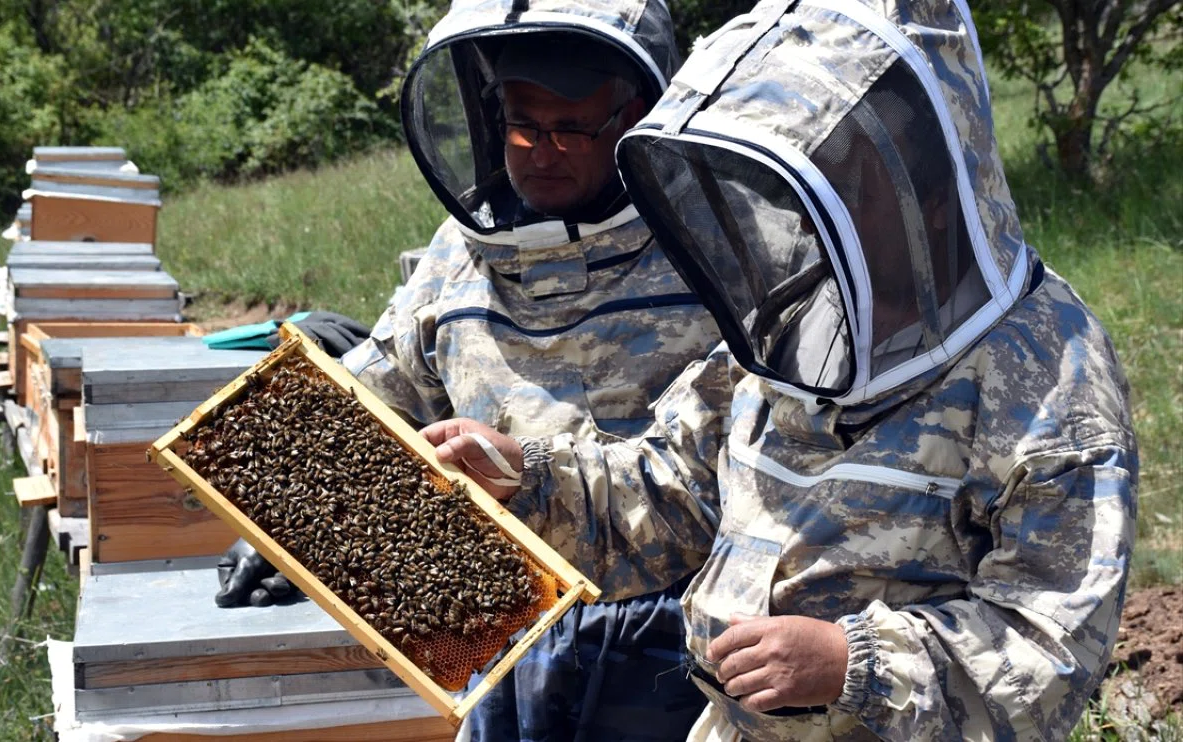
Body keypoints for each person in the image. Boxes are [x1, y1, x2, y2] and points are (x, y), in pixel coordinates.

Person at [427, 1, 1139, 739]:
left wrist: (851, 663)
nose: (806, 224)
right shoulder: (802, 315)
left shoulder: (1050, 371)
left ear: (927, 200)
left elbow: (1051, 648)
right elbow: (670, 491)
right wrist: (530, 479)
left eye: (841, 191)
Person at [217, 2, 723, 740]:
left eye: (569, 129)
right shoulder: (462, 251)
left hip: (673, 649)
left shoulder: (715, 250)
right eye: (522, 125)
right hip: (498, 625)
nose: (540, 152)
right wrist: (292, 517)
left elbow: (724, 477)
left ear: (634, 116)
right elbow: (380, 388)